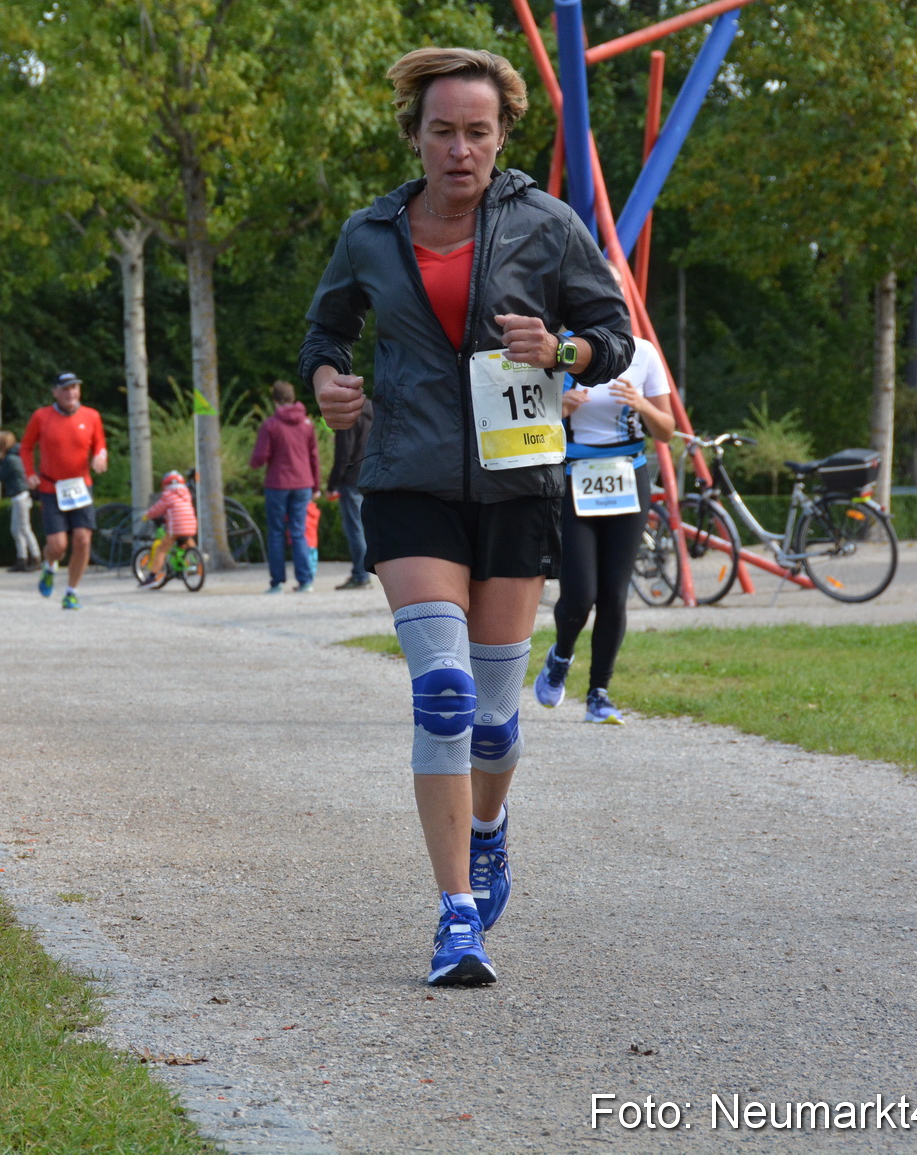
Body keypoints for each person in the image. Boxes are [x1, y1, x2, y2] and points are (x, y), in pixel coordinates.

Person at [300, 47, 632, 986]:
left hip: (519, 486)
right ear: (415, 134)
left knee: (493, 717)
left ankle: (489, 830)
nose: (459, 149)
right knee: (440, 693)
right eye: (441, 131)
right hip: (407, 479)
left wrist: (562, 346)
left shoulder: (548, 225)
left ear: (501, 137)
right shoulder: (371, 233)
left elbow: (614, 337)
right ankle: (455, 917)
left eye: (476, 131)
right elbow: (323, 334)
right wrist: (328, 381)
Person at [534, 338, 674, 724]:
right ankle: (560, 656)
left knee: (614, 593)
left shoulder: (644, 353)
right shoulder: (557, 348)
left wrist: (642, 404)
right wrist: (561, 408)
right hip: (573, 478)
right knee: (580, 595)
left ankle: (599, 693)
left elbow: (666, 430)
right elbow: (528, 423)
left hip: (627, 477)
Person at [19, 371, 107, 611]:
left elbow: (99, 443)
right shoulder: (41, 416)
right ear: (55, 392)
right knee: (58, 546)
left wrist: (101, 455)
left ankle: (71, 592)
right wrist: (30, 473)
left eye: (75, 388)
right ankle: (49, 567)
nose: (71, 393)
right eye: (66, 389)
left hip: (80, 486)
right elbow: (26, 447)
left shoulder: (91, 416)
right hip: (51, 487)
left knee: (83, 539)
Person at [251, 379, 320, 594]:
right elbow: (313, 456)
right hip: (303, 484)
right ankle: (305, 581)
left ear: (275, 401)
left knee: (277, 532)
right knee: (298, 532)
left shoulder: (271, 425)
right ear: (293, 398)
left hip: (278, 483)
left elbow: (260, 457)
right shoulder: (307, 424)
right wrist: (316, 484)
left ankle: (277, 582)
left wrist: (256, 462)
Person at [328, 396, 375, 589]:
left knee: (354, 529)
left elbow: (343, 454)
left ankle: (361, 574)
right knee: (364, 528)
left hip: (351, 479)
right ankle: (363, 572)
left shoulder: (347, 418)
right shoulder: (373, 415)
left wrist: (332, 484)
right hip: (369, 476)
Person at [139, 469, 197, 590]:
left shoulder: (168, 495)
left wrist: (147, 515)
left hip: (176, 527)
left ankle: (152, 578)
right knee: (189, 543)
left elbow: (158, 509)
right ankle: (197, 563)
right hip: (190, 525)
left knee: (161, 549)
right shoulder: (186, 494)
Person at [0, 429, 40, 572]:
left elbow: (0, 477)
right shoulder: (17, 456)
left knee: (24, 529)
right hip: (22, 496)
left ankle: (35, 558)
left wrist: (0, 461)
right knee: (17, 529)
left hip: (20, 496)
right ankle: (22, 558)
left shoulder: (9, 459)